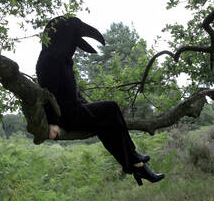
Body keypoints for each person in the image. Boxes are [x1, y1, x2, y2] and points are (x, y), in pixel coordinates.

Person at [36, 16, 164, 186]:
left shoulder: (64, 61)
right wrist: (52, 122)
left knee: (106, 119)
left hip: (74, 110)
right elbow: (48, 94)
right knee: (110, 108)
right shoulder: (49, 59)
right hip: (66, 116)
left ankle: (137, 165)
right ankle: (134, 159)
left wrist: (89, 107)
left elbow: (73, 92)